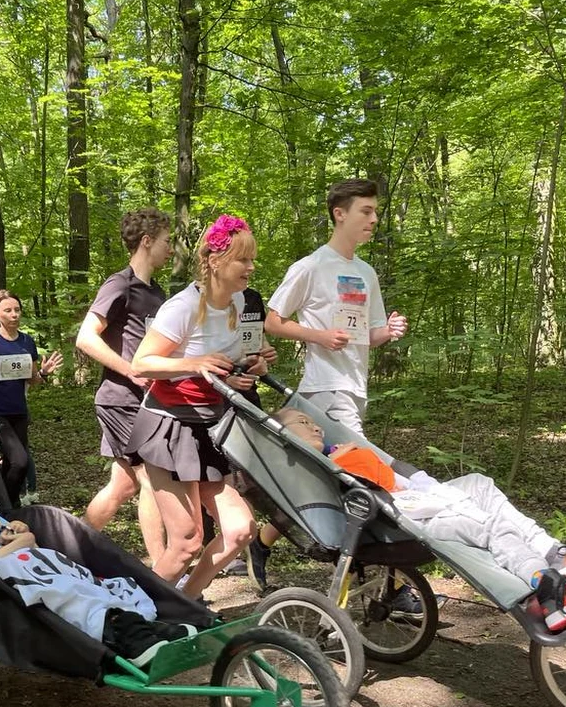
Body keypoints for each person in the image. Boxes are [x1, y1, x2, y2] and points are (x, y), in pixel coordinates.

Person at [270, 407, 566, 632]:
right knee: (491, 527)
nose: (315, 426)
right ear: (288, 436)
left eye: (315, 421)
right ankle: (546, 589)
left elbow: (398, 472)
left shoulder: (343, 451)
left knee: (480, 484)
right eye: (304, 423)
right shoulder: (320, 469)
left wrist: (427, 486)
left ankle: (555, 552)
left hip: (421, 498)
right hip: (407, 522)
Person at [0, 451, 193, 667]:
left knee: (84, 579)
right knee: (54, 585)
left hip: (22, 562)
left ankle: (132, 620)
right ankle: (117, 629)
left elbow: (8, 535)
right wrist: (22, 543)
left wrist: (19, 531)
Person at [128, 215, 266, 599]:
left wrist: (250, 367)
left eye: (253, 259)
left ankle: (182, 605)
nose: (251, 267)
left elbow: (229, 362)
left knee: (240, 530)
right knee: (187, 539)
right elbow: (142, 363)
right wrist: (196, 363)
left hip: (211, 428)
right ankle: (133, 614)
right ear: (217, 260)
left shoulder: (240, 303)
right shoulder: (183, 306)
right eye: (244, 259)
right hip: (168, 428)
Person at [265, 178, 408, 438]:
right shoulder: (310, 267)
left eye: (375, 211)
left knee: (336, 467)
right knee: (359, 463)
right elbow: (273, 321)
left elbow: (370, 337)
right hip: (325, 386)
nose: (374, 219)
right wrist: (320, 336)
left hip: (356, 387)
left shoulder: (366, 272)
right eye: (366, 211)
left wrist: (388, 330)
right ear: (339, 214)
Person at [76, 208, 171, 564]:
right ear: (146, 241)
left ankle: (72, 547)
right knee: (152, 480)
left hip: (147, 400)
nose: (171, 249)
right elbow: (86, 338)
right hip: (120, 399)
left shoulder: (157, 293)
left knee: (123, 485)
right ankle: (165, 572)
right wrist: (131, 370)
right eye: (166, 241)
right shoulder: (120, 284)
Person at [0, 290, 63, 508]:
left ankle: (0, 503)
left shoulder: (27, 342)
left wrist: (43, 373)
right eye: (7, 310)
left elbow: (32, 380)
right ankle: (8, 504)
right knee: (19, 461)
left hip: (19, 411)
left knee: (14, 464)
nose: (14, 314)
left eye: (17, 310)